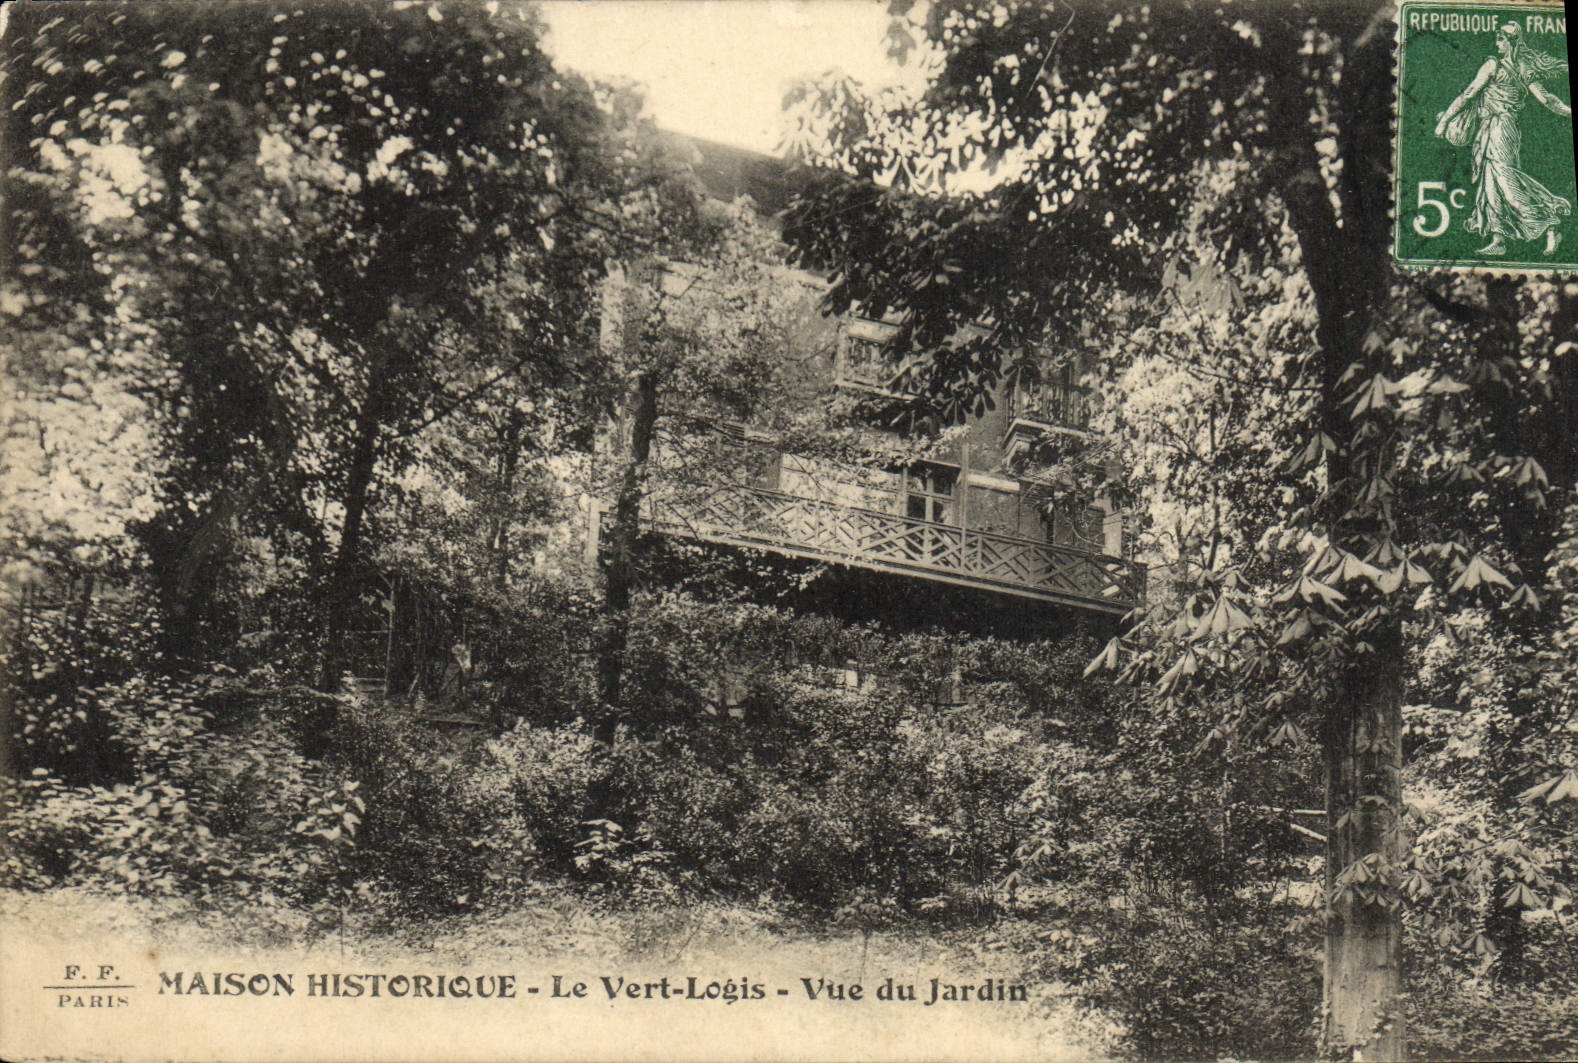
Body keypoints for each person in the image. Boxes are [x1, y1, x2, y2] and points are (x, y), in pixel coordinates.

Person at [1433, 22, 1572, 256]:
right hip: (1492, 128)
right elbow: (1546, 99)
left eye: (1500, 39)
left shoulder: (1494, 65)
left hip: (1502, 128)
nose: (1496, 43)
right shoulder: (1520, 66)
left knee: (1506, 181)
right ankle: (1499, 239)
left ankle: (1549, 224)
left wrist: (1444, 121)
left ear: (1511, 42)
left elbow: (1469, 94)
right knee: (1491, 183)